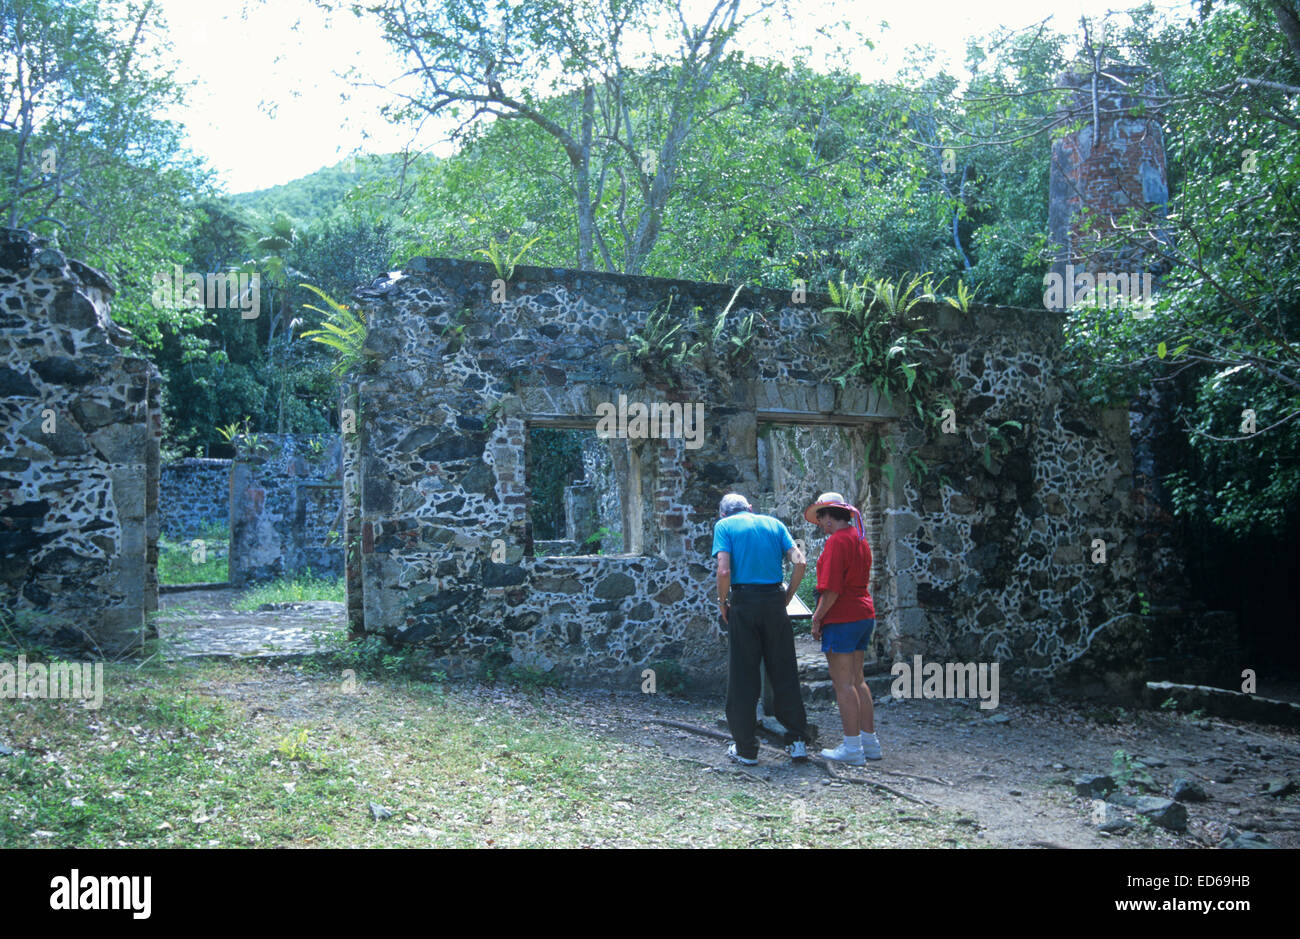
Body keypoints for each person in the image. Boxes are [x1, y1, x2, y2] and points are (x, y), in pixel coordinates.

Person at [711, 492, 813, 765]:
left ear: (723, 514)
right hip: (774, 602)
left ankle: (746, 748)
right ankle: (797, 741)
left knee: (743, 675)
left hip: (744, 602)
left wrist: (723, 602)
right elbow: (800, 561)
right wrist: (787, 596)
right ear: (750, 508)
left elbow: (723, 571)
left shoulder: (724, 527)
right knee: (784, 669)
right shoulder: (774, 524)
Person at [804, 491, 881, 764]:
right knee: (859, 680)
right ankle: (869, 744)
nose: (820, 523)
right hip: (864, 613)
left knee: (843, 684)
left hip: (843, 616)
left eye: (821, 516)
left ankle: (851, 747)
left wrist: (817, 618)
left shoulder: (837, 541)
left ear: (827, 516)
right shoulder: (860, 540)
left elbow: (833, 589)